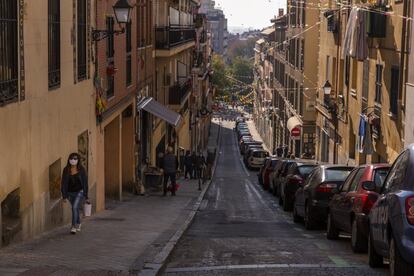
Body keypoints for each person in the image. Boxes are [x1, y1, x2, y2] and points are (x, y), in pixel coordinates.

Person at [61, 153, 89, 234]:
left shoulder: (81, 170)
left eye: (75, 158)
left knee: (74, 208)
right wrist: (64, 195)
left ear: (78, 160)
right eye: (71, 158)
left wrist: (86, 195)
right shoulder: (66, 170)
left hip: (79, 192)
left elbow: (85, 183)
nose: (73, 160)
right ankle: (79, 223)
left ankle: (73, 226)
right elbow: (63, 183)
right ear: (69, 159)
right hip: (70, 193)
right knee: (75, 209)